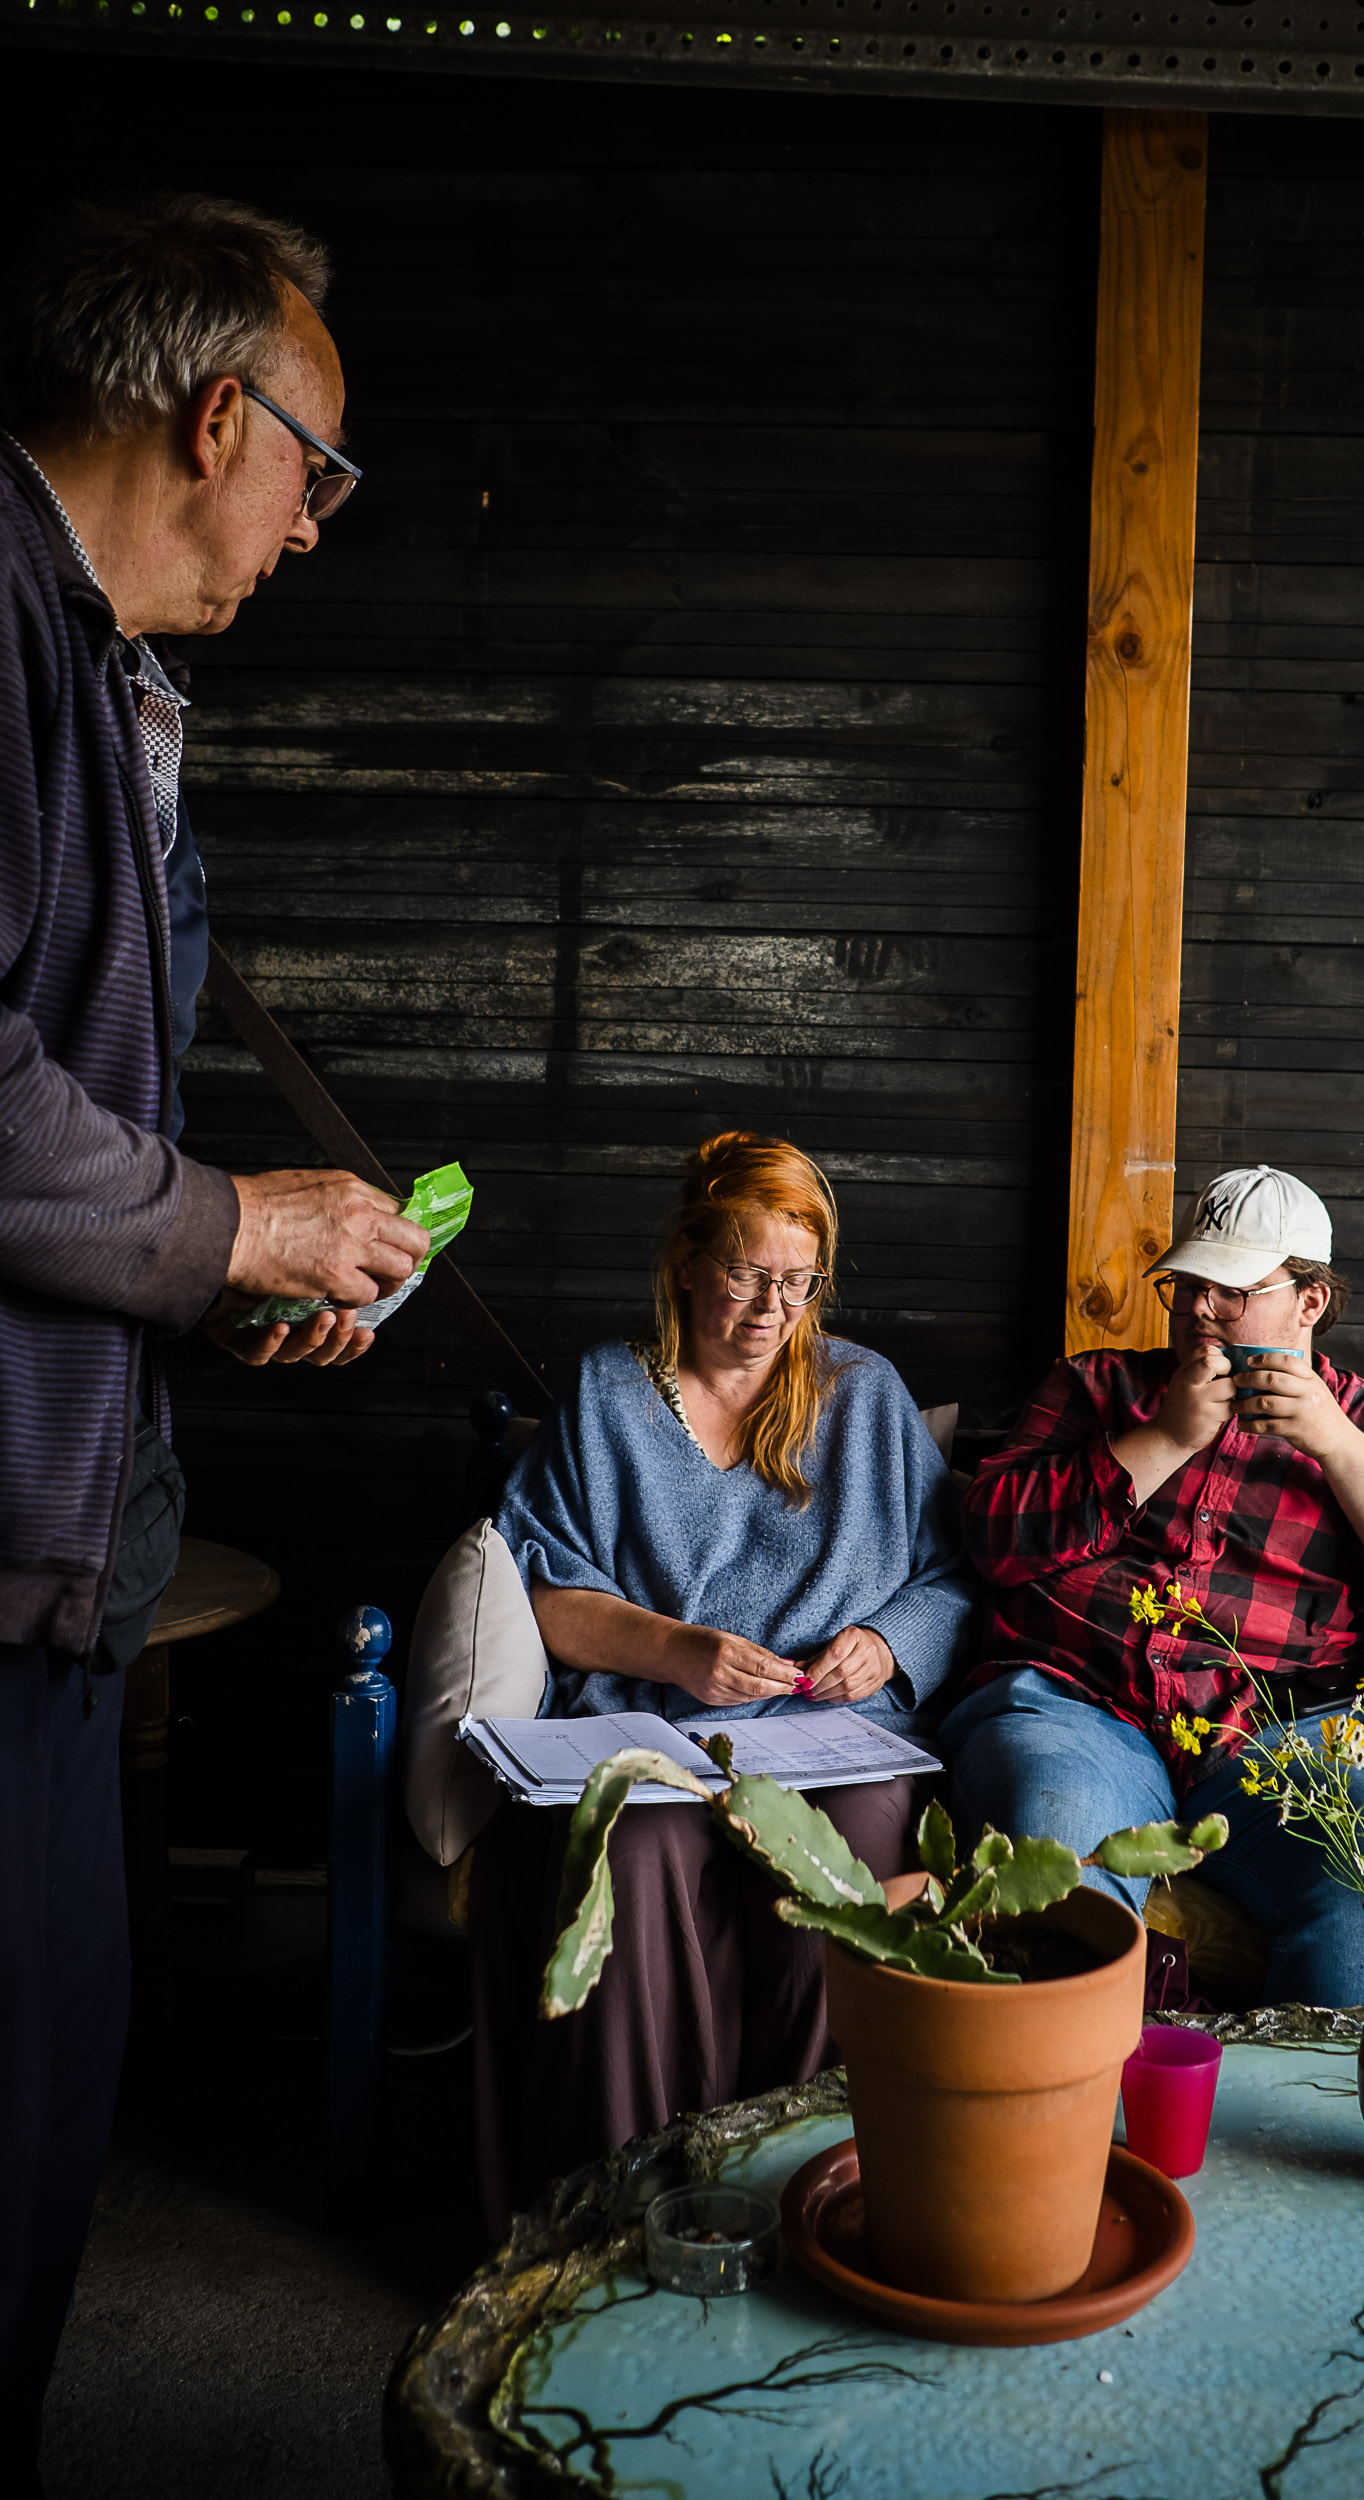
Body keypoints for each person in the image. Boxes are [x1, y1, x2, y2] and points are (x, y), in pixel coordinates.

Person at [0, 195, 431, 2493]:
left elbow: (97, 1113)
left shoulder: (97, 671)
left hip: (64, 1548)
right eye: (318, 473)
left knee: (53, 2126)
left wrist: (228, 1262)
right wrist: (226, 1217)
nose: (312, 531)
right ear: (213, 415)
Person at [472, 1131, 975, 2229]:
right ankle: (634, 2204)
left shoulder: (866, 1396)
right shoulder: (608, 1394)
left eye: (796, 1283)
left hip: (831, 1736)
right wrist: (675, 1649)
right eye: (746, 1276)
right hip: (649, 1725)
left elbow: (948, 1581)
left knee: (844, 1855)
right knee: (634, 1846)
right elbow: (538, 1595)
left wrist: (884, 1646)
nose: (769, 1310)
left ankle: (803, 2192)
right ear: (688, 1259)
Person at [940, 1164, 1364, 2008]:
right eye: (1186, 1286)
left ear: (1308, 1303)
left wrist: (1339, 1449)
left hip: (1283, 1740)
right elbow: (987, 1538)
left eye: (1230, 1290)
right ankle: (1067, 2122)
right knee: (1053, 1846)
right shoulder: (1095, 1389)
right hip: (1075, 1710)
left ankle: (1306, 2116)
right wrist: (1161, 1439)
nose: (1198, 1309)